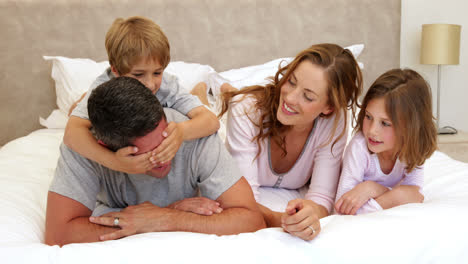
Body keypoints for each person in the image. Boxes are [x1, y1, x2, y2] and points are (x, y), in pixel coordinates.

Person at [45, 77, 265, 246]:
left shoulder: (188, 132)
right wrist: (153, 218)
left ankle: (201, 95)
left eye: (165, 140)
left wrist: (166, 218)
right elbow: (58, 233)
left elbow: (251, 220)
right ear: (106, 147)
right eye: (148, 153)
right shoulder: (84, 146)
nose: (164, 155)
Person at [194, 43, 363, 241]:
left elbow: (322, 198)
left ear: (328, 108)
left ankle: (226, 89)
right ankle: (200, 93)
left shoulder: (334, 121)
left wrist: (310, 213)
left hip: (248, 111)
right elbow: (244, 205)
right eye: (291, 82)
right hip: (243, 119)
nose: (290, 98)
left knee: (237, 99)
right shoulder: (246, 109)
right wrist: (283, 219)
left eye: (308, 96)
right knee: (214, 122)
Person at [65, 16, 219, 176]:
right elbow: (72, 133)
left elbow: (211, 121)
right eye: (138, 74)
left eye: (157, 73)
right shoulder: (103, 89)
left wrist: (181, 131)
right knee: (80, 117)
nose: (150, 84)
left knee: (190, 109)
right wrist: (114, 161)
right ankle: (81, 101)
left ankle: (198, 93)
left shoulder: (166, 85)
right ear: (116, 71)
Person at [334, 68, 437, 215]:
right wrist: (395, 195)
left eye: (385, 123)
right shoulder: (359, 148)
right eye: (368, 117)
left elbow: (415, 195)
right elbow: (342, 209)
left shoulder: (413, 149)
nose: (371, 131)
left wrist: (372, 188)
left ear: (410, 127)